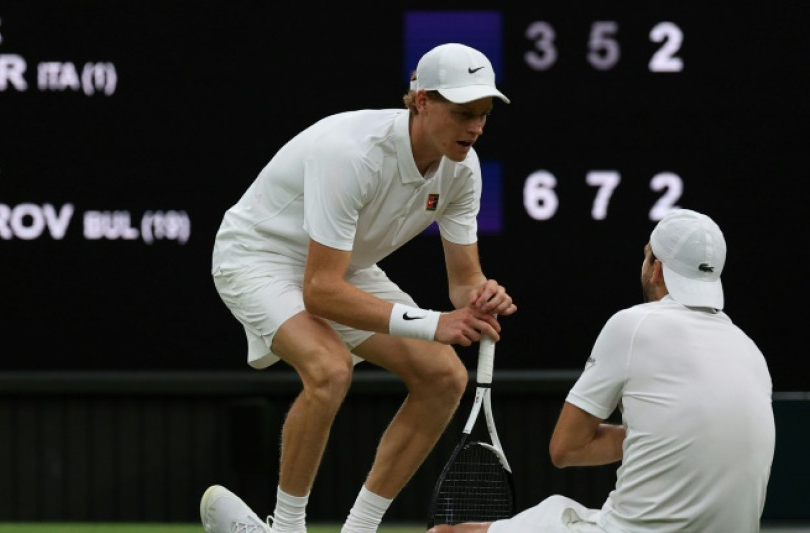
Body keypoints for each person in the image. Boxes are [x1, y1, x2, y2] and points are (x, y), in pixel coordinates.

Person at [201, 43, 517, 533]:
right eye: (462, 113)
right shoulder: (351, 153)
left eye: (483, 115)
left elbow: (464, 283)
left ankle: (360, 529)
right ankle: (285, 529)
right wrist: (436, 324)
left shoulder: (463, 171)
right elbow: (320, 292)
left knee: (445, 378)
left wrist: (482, 296)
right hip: (257, 257)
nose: (475, 127)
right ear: (421, 101)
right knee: (328, 370)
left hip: (339, 265)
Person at [428, 208, 775, 533]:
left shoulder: (633, 326)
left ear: (656, 269)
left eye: (646, 255)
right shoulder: (751, 352)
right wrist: (661, 435)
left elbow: (565, 449)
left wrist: (647, 436)